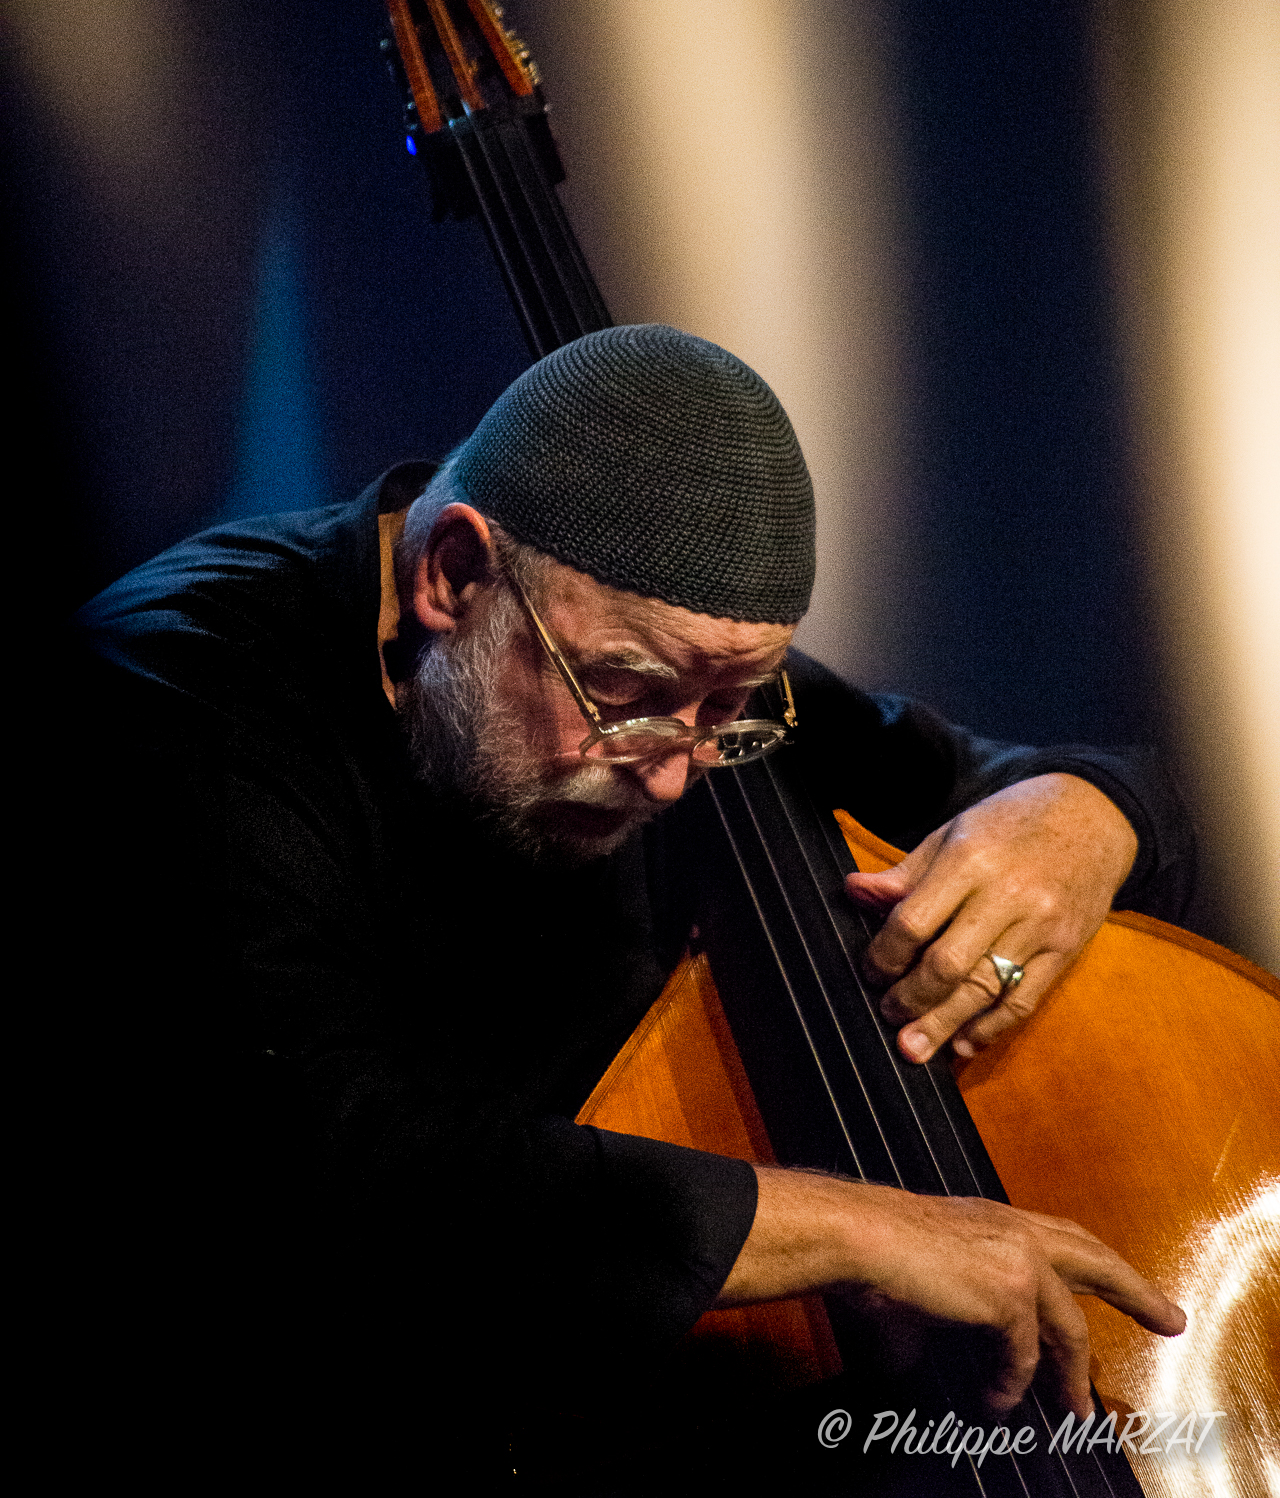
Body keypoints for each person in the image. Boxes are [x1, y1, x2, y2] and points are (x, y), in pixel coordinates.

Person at [73, 324, 1191, 1476]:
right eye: (623, 694)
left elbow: (1040, 790)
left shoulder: (684, 676)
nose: (672, 773)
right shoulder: (173, 698)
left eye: (730, 708)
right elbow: (331, 1172)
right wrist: (861, 1226)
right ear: (452, 577)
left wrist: (1088, 813)